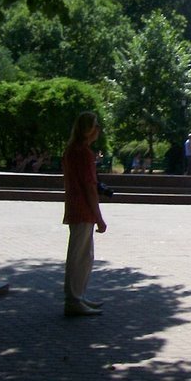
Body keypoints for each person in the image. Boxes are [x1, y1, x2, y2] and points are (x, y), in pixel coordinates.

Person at [62, 111, 107, 318]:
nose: (98, 130)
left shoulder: (73, 150)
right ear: (88, 130)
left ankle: (78, 296)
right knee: (80, 256)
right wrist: (99, 217)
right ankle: (73, 299)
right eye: (95, 126)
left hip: (75, 207)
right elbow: (90, 187)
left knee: (83, 255)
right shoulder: (84, 153)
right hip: (83, 209)